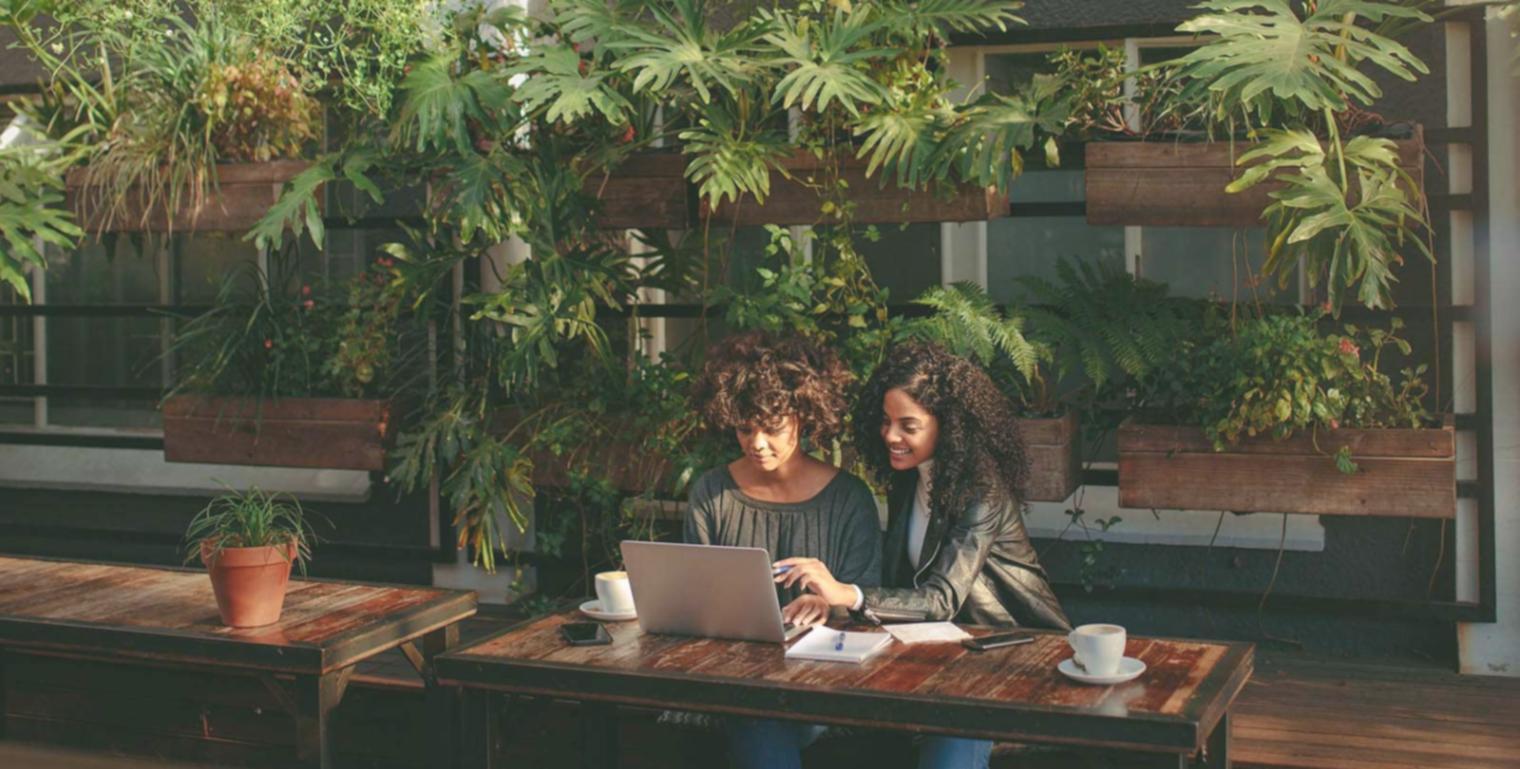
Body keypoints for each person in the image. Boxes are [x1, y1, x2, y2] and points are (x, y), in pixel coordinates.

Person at [775, 342, 1071, 769]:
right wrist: (831, 603)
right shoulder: (909, 480)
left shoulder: (983, 491)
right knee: (785, 713)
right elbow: (901, 588)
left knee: (951, 731)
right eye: (886, 421)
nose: (890, 436)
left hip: (1010, 653)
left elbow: (941, 598)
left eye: (907, 425)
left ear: (948, 427)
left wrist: (848, 593)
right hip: (935, 657)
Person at [684, 330, 882, 769]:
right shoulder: (712, 492)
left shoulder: (849, 499)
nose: (756, 443)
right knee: (756, 712)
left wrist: (829, 603)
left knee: (763, 719)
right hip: (733, 674)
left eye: (772, 429)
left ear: (803, 419)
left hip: (821, 677)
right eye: (744, 428)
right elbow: (696, 597)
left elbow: (869, 595)